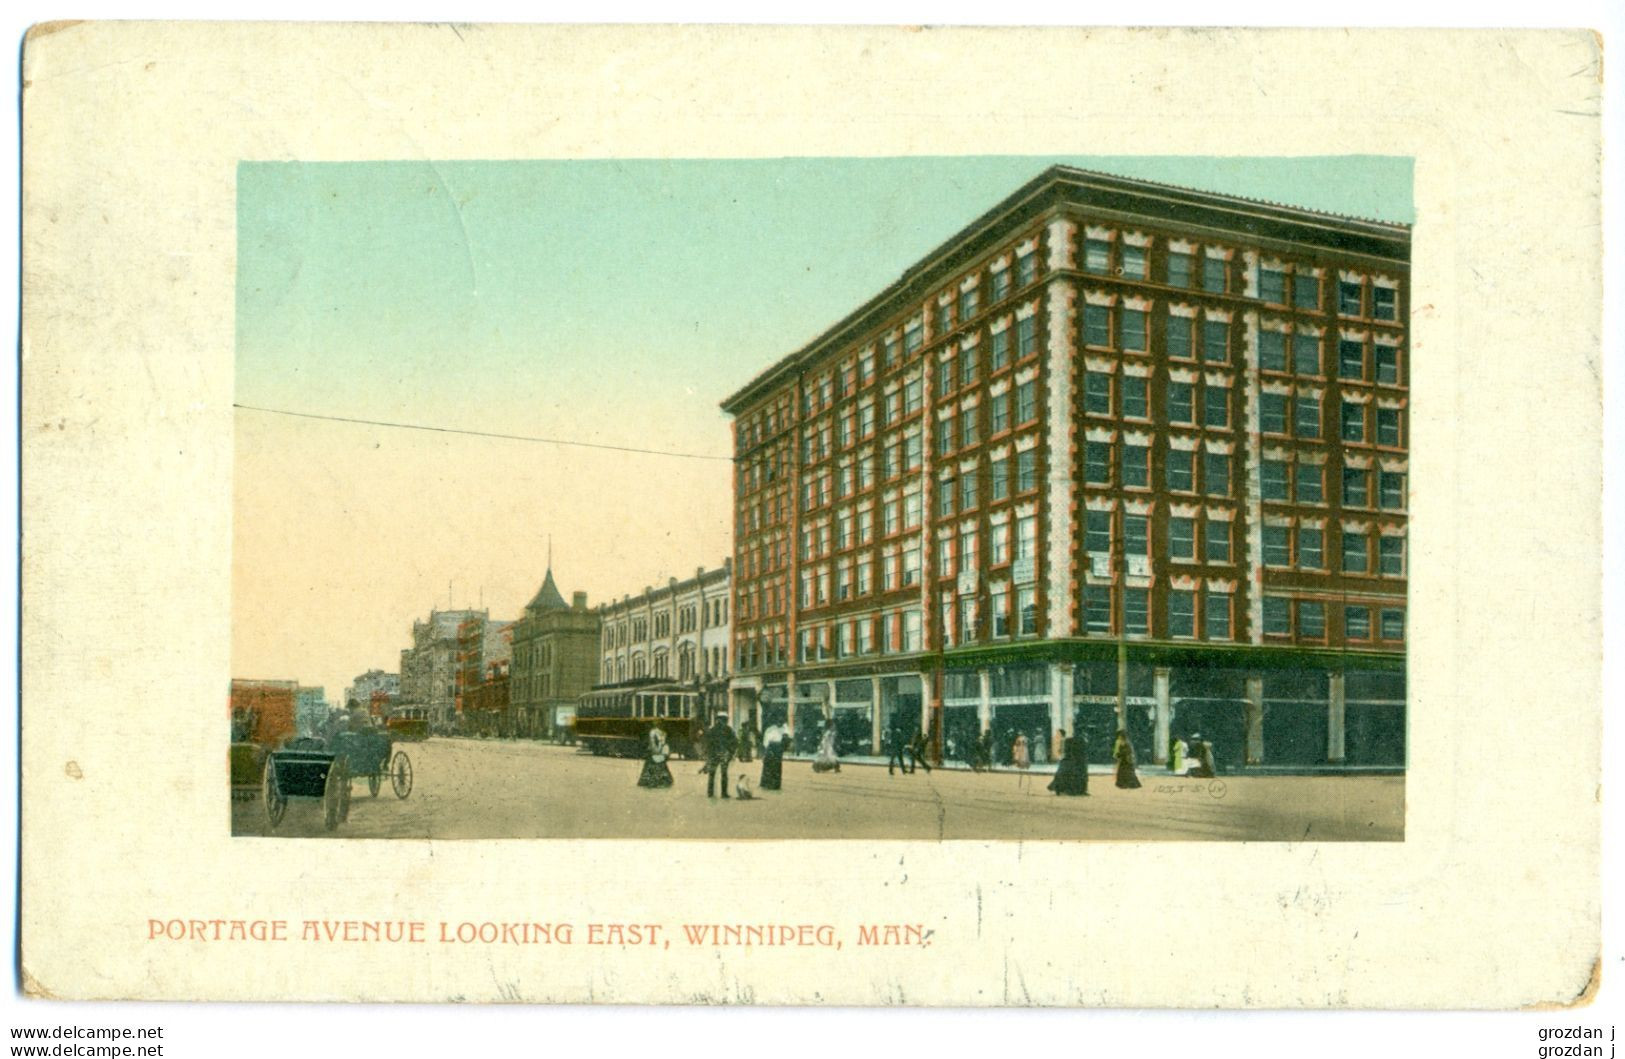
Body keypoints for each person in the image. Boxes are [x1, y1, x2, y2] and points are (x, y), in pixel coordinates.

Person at [704, 715, 738, 799]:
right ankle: (723, 793)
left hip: (714, 754)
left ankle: (710, 793)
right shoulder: (728, 730)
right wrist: (731, 752)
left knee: (712, 774)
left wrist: (708, 754)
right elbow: (735, 742)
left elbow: (707, 743)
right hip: (724, 754)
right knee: (723, 774)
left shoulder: (712, 730)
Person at [637, 724, 674, 789]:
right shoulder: (656, 732)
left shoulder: (659, 732)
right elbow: (654, 743)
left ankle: (652, 780)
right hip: (657, 753)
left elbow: (660, 744)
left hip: (657, 753)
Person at [759, 721, 788, 791]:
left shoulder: (784, 729)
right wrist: (767, 751)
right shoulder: (770, 729)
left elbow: (786, 739)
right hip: (771, 748)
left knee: (777, 767)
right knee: (769, 767)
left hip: (778, 749)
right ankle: (767, 784)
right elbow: (766, 742)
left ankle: (775, 785)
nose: (780, 722)